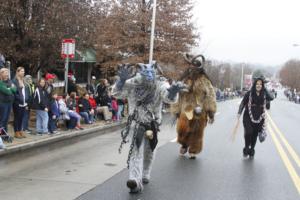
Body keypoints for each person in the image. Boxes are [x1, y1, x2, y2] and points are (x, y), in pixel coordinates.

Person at [112, 63, 185, 193]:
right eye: (146, 74)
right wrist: (121, 82)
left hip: (153, 124)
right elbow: (117, 94)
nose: (149, 76)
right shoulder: (133, 82)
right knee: (136, 152)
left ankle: (145, 172)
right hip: (136, 123)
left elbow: (168, 98)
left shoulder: (160, 84)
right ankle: (135, 180)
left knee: (149, 151)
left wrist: (172, 92)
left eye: (152, 73)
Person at [238, 75, 274, 158]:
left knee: (254, 135)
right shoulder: (249, 93)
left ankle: (252, 150)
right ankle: (246, 147)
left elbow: (271, 98)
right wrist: (239, 113)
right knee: (248, 132)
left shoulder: (264, 94)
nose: (259, 85)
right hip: (248, 117)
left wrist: (264, 88)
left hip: (259, 119)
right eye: (257, 84)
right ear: (254, 84)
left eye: (260, 84)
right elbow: (243, 103)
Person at [12, 67, 31, 138]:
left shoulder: (24, 81)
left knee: (21, 117)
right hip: (17, 102)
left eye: (24, 71)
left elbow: (26, 91)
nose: (23, 72)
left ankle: (20, 130)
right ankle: (16, 132)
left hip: (24, 102)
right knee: (17, 117)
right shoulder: (14, 81)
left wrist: (26, 99)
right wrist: (20, 99)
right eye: (22, 71)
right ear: (18, 72)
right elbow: (14, 92)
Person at [0, 68, 16, 134]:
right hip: (3, 103)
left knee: (6, 120)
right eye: (5, 73)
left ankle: (5, 134)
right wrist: (10, 88)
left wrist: (9, 88)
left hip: (9, 103)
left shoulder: (10, 81)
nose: (7, 74)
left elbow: (15, 90)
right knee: (2, 120)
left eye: (7, 73)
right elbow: (7, 92)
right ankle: (1, 135)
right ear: (1, 73)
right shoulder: (0, 82)